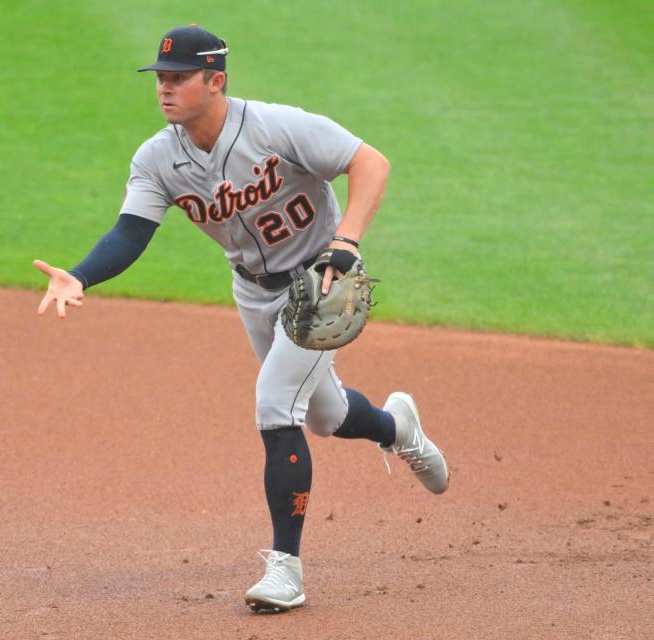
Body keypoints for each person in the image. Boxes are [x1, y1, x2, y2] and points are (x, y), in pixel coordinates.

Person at [33, 24, 450, 613]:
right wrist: (80, 275)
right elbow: (131, 231)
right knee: (326, 417)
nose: (165, 90)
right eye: (161, 79)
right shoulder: (158, 158)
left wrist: (347, 242)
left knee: (275, 406)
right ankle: (398, 428)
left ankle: (286, 570)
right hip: (253, 294)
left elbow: (370, 163)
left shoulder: (279, 127)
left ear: (216, 81)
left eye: (179, 79)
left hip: (318, 283)